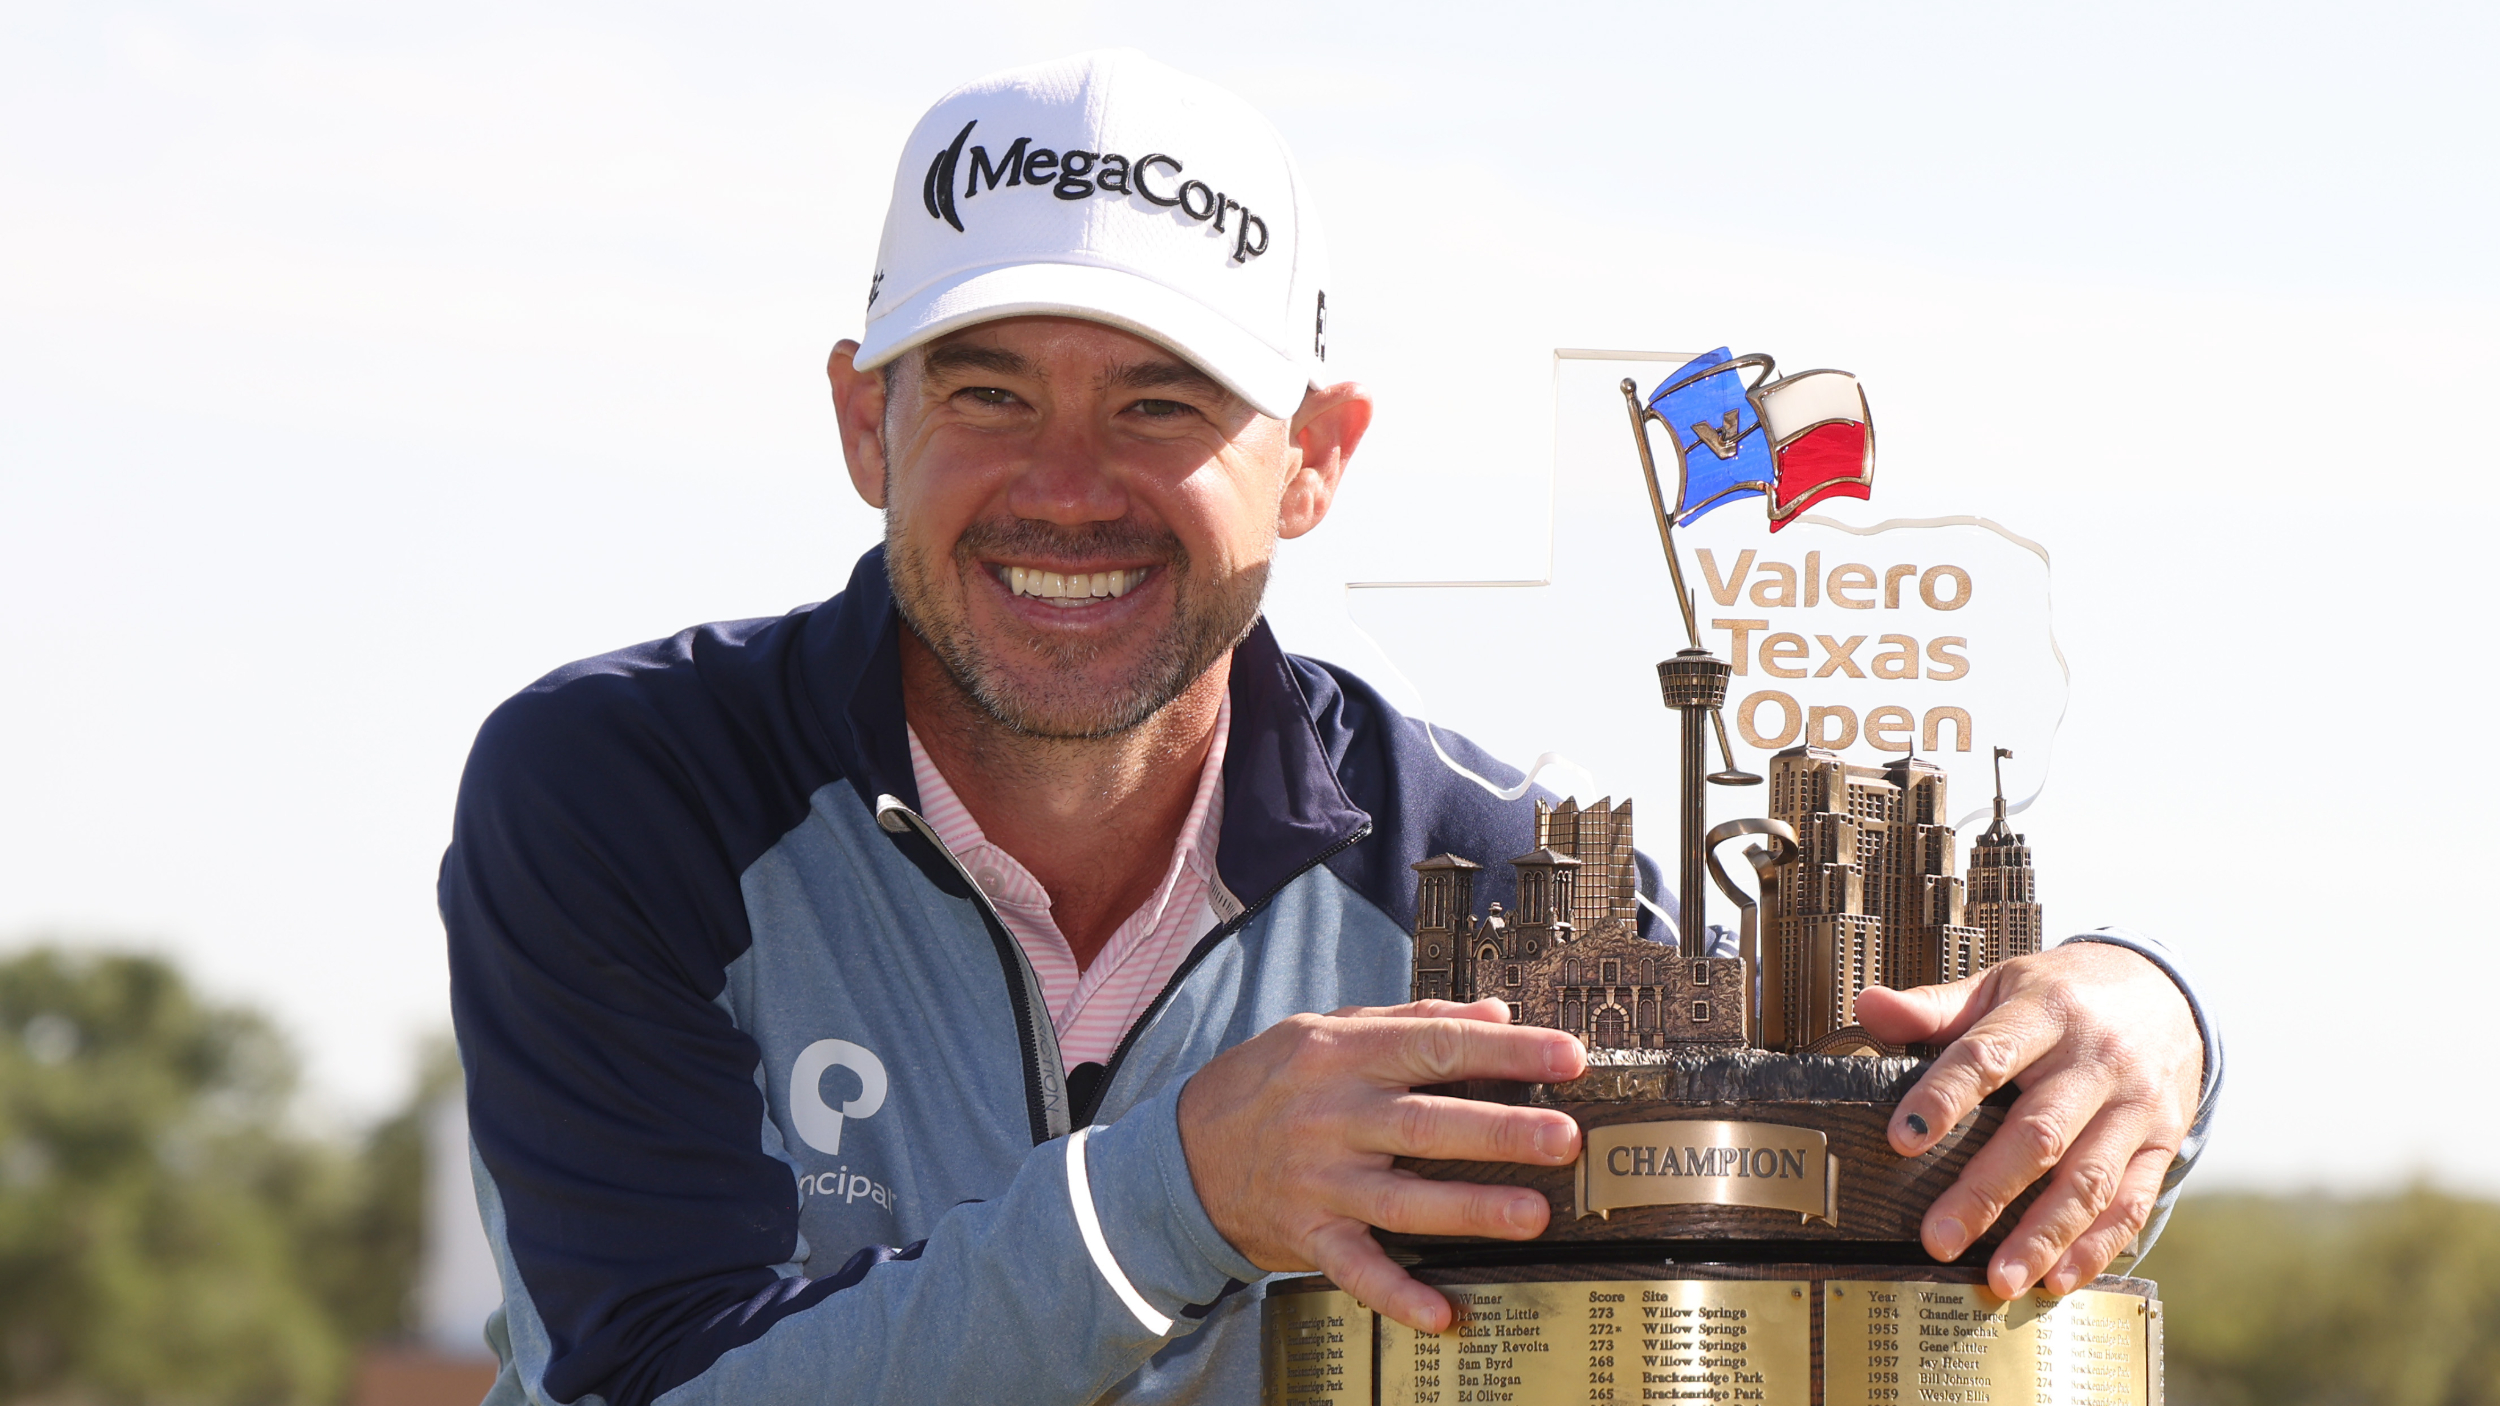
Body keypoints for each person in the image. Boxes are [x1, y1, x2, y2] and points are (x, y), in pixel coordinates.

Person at [441, 49, 2221, 1406]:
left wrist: (2146, 1024)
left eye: (1164, 403)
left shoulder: (1489, 872)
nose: (1067, 488)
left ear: (1316, 459)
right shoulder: (618, 793)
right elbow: (659, 1381)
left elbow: (1854, 1152)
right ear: (862, 421)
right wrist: (1182, 1195)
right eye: (985, 390)